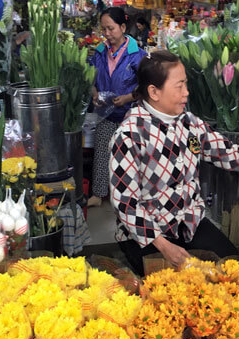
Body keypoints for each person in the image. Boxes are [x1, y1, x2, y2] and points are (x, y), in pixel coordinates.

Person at [109, 51, 239, 276]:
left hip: (189, 223)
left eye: (186, 84)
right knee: (181, 293)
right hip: (147, 235)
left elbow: (229, 154)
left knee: (236, 272)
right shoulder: (129, 135)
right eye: (179, 86)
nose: (186, 93)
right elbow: (125, 204)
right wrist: (164, 246)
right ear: (154, 92)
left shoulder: (189, 124)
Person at [87, 7, 147, 208]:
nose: (107, 34)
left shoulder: (138, 55)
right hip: (107, 114)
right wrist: (94, 93)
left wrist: (128, 97)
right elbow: (90, 78)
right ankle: (98, 193)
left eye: (111, 28)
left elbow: (147, 85)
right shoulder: (100, 52)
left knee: (130, 156)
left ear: (122, 27)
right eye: (104, 29)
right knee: (102, 150)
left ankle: (131, 196)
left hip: (130, 115)